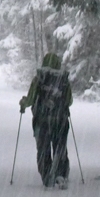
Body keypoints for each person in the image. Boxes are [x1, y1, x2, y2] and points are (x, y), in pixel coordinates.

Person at [19, 52, 73, 188]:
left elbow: (31, 99)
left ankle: (47, 175)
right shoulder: (63, 80)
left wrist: (23, 103)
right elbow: (69, 101)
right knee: (60, 148)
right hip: (60, 121)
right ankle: (61, 175)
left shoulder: (39, 78)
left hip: (41, 120)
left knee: (43, 149)